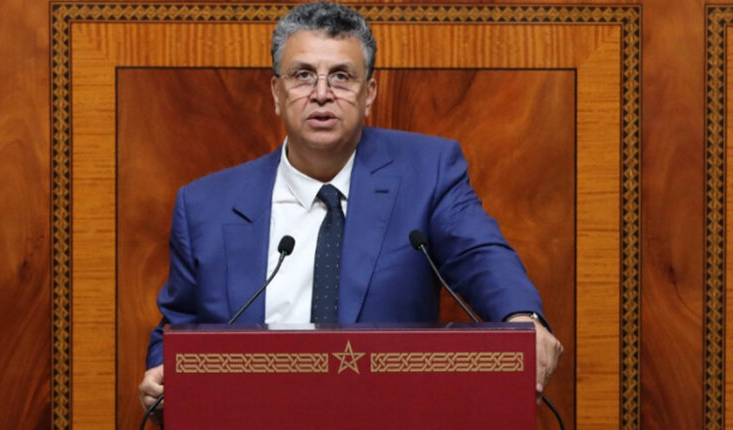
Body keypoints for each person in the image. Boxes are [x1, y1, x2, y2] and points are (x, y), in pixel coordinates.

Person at [139, 0, 563, 417]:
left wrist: (522, 316)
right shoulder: (205, 205)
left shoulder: (427, 172)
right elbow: (177, 328)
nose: (322, 94)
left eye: (341, 77)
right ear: (276, 92)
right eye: (303, 75)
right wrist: (162, 379)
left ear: (369, 94)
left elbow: (480, 254)